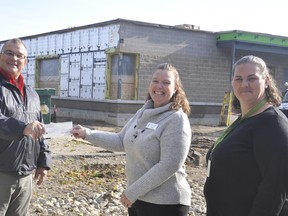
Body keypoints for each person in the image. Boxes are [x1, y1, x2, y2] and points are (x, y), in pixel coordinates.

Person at [72, 63, 192, 216]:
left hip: (166, 203)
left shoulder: (176, 119)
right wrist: (86, 134)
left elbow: (169, 165)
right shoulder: (143, 112)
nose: (159, 86)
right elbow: (121, 141)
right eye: (155, 81)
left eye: (166, 82)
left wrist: (132, 192)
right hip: (139, 198)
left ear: (176, 88)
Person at [204, 55, 288, 216]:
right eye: (238, 79)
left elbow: (274, 189)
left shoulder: (273, 125)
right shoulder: (245, 119)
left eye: (252, 78)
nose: (244, 84)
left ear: (266, 80)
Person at [0, 38, 51, 215]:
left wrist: (43, 162)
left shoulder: (32, 93)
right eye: (9, 53)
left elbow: (41, 130)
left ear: (25, 61)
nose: (14, 58)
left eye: (20, 55)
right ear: (0, 56)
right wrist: (23, 127)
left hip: (25, 175)